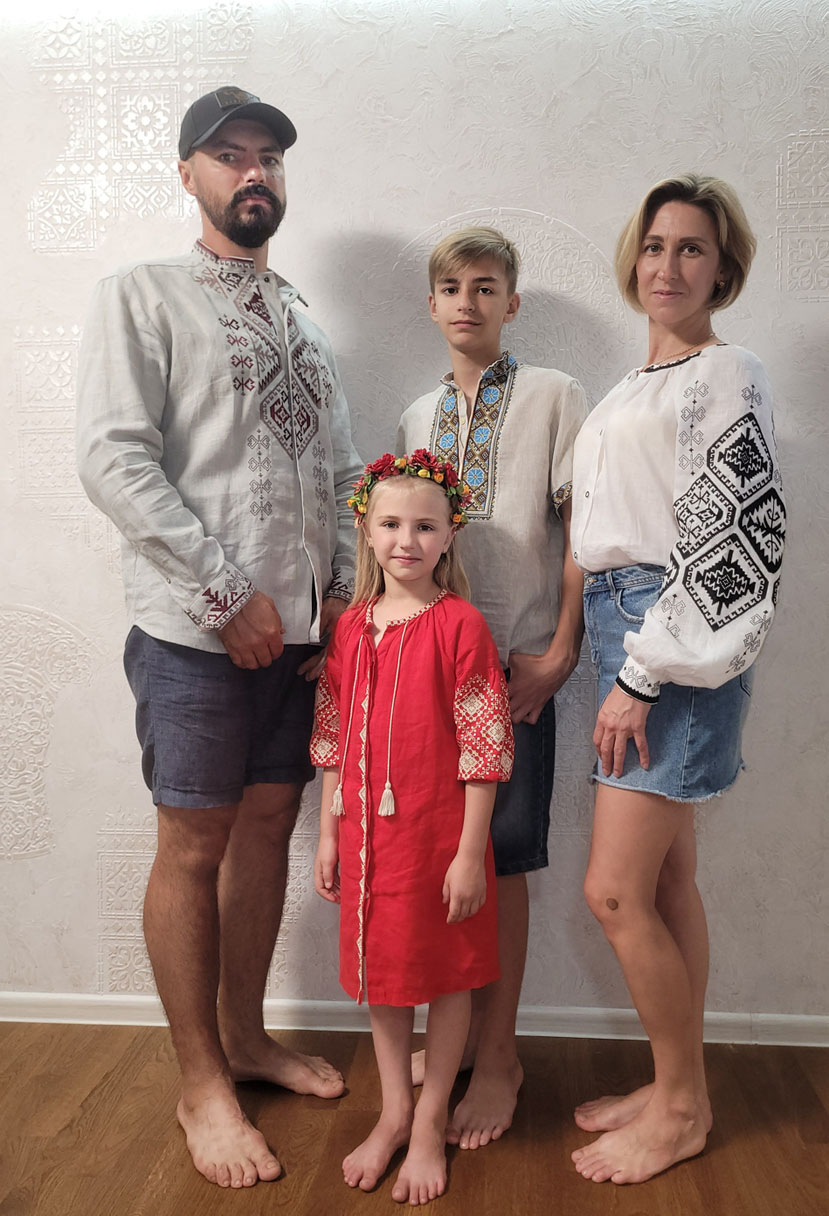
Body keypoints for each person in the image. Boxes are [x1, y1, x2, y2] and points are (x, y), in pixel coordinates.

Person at [76, 86, 363, 1189]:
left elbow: (342, 472)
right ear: (188, 173)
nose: (254, 172)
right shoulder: (141, 295)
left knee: (266, 829)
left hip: (300, 640)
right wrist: (224, 593)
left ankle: (244, 1039)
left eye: (269, 158)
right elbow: (113, 458)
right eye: (230, 154)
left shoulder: (304, 320)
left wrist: (342, 598)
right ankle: (199, 1080)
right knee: (193, 845)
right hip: (196, 632)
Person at [569, 173, 785, 1185]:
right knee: (662, 881)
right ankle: (672, 1085)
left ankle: (684, 1109)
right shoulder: (630, 386)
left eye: (691, 248)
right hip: (622, 623)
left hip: (669, 637)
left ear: (722, 267)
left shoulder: (726, 371)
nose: (667, 265)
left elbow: (733, 534)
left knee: (613, 891)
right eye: (654, 245)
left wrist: (645, 674)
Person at [397, 227, 587, 1148]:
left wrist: (560, 653)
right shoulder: (414, 416)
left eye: (484, 286)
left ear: (511, 302)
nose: (466, 301)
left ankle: (501, 1054)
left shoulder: (553, 396)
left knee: (501, 858)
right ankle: (461, 1037)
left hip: (512, 673)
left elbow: (585, 531)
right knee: (444, 855)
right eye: (450, 287)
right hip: (429, 670)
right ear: (430, 304)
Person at [311, 451, 514, 1205]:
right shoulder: (351, 628)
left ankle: (430, 1123)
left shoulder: (461, 625)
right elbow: (333, 737)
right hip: (365, 839)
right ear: (365, 530)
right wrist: (328, 835)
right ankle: (395, 1110)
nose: (407, 540)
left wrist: (469, 855)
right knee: (385, 974)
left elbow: (484, 746)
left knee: (447, 972)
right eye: (391, 524)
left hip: (439, 839)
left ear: (450, 534)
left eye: (425, 527)